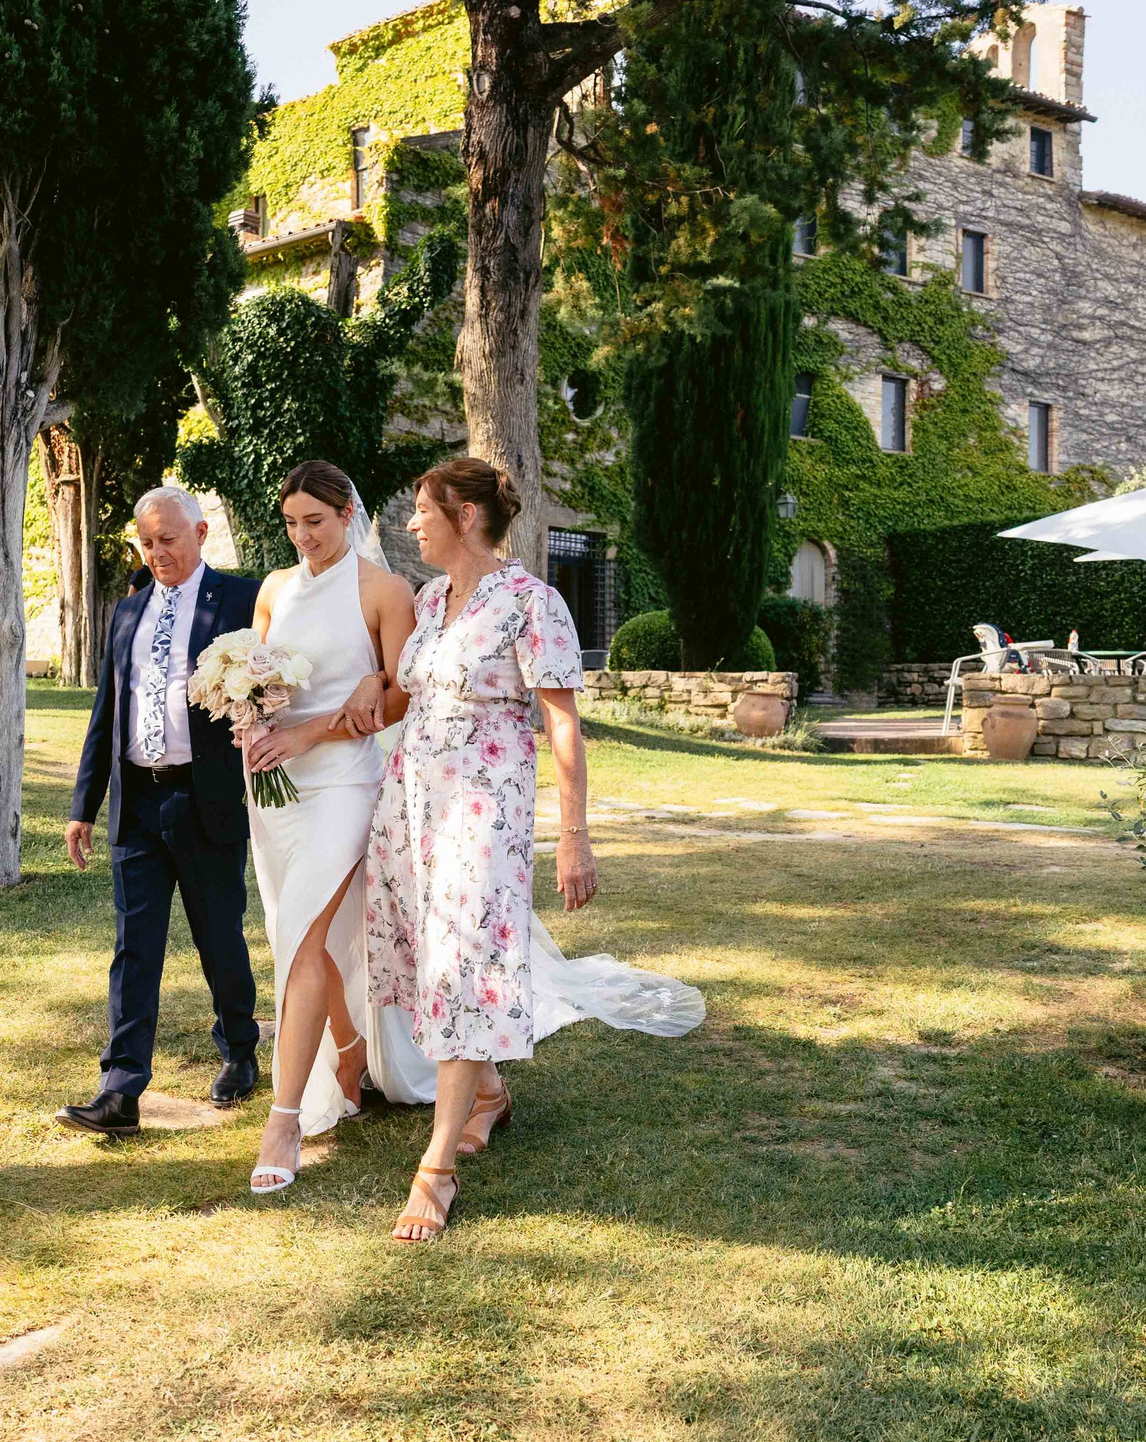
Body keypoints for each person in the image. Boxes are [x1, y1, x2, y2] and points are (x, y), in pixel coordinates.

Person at [364, 457, 703, 1242]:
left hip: (484, 814)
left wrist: (575, 835)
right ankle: (486, 1095)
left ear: (466, 516)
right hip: (411, 806)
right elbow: (409, 690)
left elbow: (562, 726)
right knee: (427, 960)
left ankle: (436, 1170)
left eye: (423, 510)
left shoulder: (532, 603)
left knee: (463, 963)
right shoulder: (426, 599)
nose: (413, 523)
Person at [237, 462, 421, 1194]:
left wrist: (311, 733)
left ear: (348, 514)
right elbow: (254, 677)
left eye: (315, 520)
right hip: (274, 789)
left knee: (307, 935)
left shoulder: (384, 591)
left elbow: (400, 699)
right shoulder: (274, 588)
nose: (302, 535)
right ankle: (347, 1049)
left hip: (344, 781)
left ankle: (283, 1119)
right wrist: (244, 717)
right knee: (297, 933)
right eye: (291, 523)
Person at [60, 487, 265, 1136]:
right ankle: (120, 1089)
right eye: (147, 542)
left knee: (219, 937)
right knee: (134, 947)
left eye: (168, 539)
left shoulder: (240, 599)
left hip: (204, 799)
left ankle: (239, 1047)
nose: (156, 552)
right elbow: (105, 714)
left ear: (200, 532)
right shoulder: (125, 613)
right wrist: (83, 805)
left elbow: (272, 686)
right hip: (138, 802)